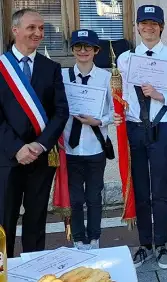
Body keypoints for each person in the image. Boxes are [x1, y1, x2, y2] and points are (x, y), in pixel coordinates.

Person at [113, 5, 167, 269]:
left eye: (154, 24)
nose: (148, 28)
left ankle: (162, 244)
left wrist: (162, 96)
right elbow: (117, 96)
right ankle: (144, 243)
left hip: (163, 127)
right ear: (136, 26)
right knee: (141, 189)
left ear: (162, 27)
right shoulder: (124, 59)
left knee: (159, 187)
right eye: (143, 23)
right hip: (135, 127)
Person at [0, 8, 69, 258]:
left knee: (36, 218)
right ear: (15, 30)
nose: (38, 33)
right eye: (32, 28)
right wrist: (17, 148)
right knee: (4, 220)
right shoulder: (1, 67)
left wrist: (39, 145)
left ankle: (32, 266)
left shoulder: (51, 67)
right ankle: (3, 271)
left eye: (41, 28)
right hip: (7, 158)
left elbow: (61, 112)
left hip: (40, 157)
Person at [62, 29, 113, 250]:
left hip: (95, 147)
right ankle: (78, 238)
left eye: (88, 47)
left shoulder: (107, 77)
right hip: (70, 148)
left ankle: (94, 237)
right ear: (73, 50)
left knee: (94, 196)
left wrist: (99, 121)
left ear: (96, 51)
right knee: (75, 199)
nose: (83, 51)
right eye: (78, 47)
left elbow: (114, 111)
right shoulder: (62, 76)